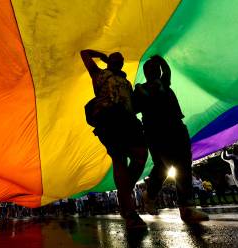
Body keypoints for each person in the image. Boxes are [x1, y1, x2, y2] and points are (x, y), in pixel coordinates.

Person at [134, 55, 208, 222]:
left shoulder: (164, 83)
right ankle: (150, 194)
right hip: (157, 132)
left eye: (157, 69)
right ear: (146, 72)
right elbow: (133, 109)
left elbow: (166, 70)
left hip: (177, 128)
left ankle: (187, 209)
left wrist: (160, 59)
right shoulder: (140, 90)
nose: (156, 71)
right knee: (163, 166)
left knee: (184, 166)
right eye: (151, 68)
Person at [81, 49, 148, 229]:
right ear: (109, 61)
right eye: (114, 57)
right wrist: (101, 56)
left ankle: (124, 192)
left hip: (128, 120)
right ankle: (129, 212)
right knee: (119, 160)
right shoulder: (99, 74)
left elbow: (132, 105)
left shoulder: (127, 82)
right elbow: (84, 53)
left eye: (121, 58)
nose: (119, 59)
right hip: (109, 118)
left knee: (141, 155)